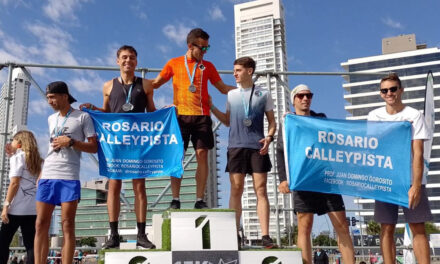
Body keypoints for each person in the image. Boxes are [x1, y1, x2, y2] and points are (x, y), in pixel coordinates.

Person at [80, 45, 156, 249]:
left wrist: (164, 113)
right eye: (124, 57)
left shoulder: (146, 85)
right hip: (115, 142)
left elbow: (152, 113)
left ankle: (141, 234)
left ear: (136, 61)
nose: (128, 61)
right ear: (117, 61)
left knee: (139, 186)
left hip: (137, 142)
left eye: (132, 57)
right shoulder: (107, 86)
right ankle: (113, 235)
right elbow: (105, 112)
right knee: (114, 186)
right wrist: (92, 108)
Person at [152, 28, 235, 209]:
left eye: (207, 48)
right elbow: (155, 84)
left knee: (202, 155)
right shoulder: (174, 63)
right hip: (180, 116)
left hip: (202, 116)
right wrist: (133, 83)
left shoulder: (208, 66)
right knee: (177, 157)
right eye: (202, 48)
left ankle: (199, 199)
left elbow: (222, 88)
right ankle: (175, 199)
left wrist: (244, 88)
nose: (205, 52)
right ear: (190, 46)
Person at [276, 84, 355, 264]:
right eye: (301, 96)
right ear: (293, 100)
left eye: (309, 95)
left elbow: (334, 140)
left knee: (342, 225)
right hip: (302, 179)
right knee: (305, 226)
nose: (305, 99)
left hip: (326, 178)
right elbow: (281, 152)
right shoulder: (288, 122)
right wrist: (283, 179)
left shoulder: (321, 119)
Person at [210, 56, 276, 248]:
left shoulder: (264, 94)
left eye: (238, 70)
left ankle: (265, 235)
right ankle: (233, 233)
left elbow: (272, 122)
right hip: (236, 147)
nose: (234, 74)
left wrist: (269, 137)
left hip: (257, 146)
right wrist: (212, 105)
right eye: (234, 70)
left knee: (261, 190)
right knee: (236, 189)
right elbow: (228, 120)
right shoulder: (231, 95)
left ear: (249, 71)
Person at [367, 73, 432, 264]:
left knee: (417, 226)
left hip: (410, 180)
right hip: (385, 179)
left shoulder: (414, 115)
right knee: (387, 227)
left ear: (401, 90)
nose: (389, 93)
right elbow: (373, 148)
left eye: (393, 89)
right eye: (385, 90)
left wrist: (417, 186)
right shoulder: (373, 116)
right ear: (380, 94)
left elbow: (418, 153)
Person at [34, 81, 97, 264]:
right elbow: (50, 147)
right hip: (48, 175)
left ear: (65, 96)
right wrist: (41, 173)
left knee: (67, 225)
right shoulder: (51, 119)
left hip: (68, 176)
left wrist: (71, 142)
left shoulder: (82, 117)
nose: (49, 101)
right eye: (47, 98)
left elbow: (94, 147)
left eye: (52, 97)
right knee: (40, 225)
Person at [0, 130, 43, 264]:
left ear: (19, 143)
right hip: (33, 210)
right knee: (31, 245)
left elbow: (14, 183)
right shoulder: (40, 161)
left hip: (15, 210)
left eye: (13, 139)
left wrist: (5, 206)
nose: (11, 142)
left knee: (2, 242)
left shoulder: (18, 158)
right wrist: (13, 153)